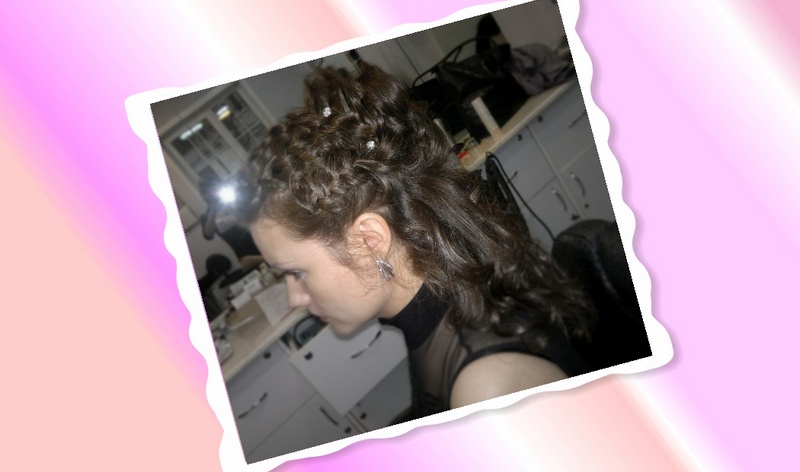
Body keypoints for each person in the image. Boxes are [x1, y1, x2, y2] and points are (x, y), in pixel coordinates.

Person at [241, 63, 595, 418]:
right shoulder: (448, 285)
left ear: (369, 241)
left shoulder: (489, 387)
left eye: (296, 273)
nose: (295, 298)